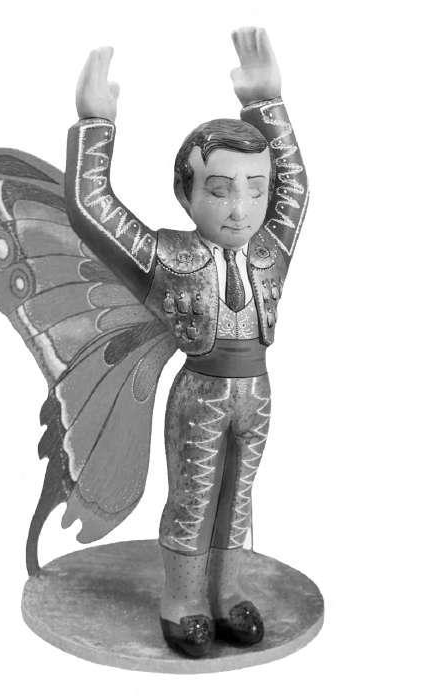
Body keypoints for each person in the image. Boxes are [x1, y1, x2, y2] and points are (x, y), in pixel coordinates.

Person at [65, 26, 308, 658]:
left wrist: (267, 104)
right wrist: (95, 124)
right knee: (196, 494)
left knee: (239, 494)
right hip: (201, 394)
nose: (240, 207)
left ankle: (228, 594)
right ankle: (182, 603)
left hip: (256, 392)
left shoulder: (270, 252)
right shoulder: (170, 258)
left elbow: (297, 188)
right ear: (187, 192)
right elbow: (93, 208)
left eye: (255, 188)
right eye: (220, 189)